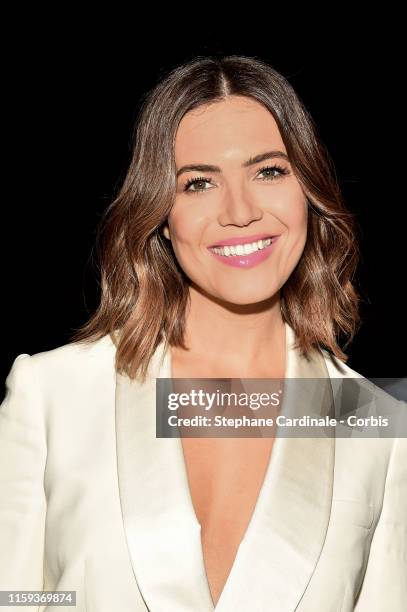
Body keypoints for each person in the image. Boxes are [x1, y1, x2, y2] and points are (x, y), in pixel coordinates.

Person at [1, 55, 406, 612]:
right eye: (198, 183)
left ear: (308, 191)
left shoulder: (373, 423)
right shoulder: (53, 394)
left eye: (269, 171)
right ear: (161, 215)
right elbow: (14, 597)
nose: (240, 212)